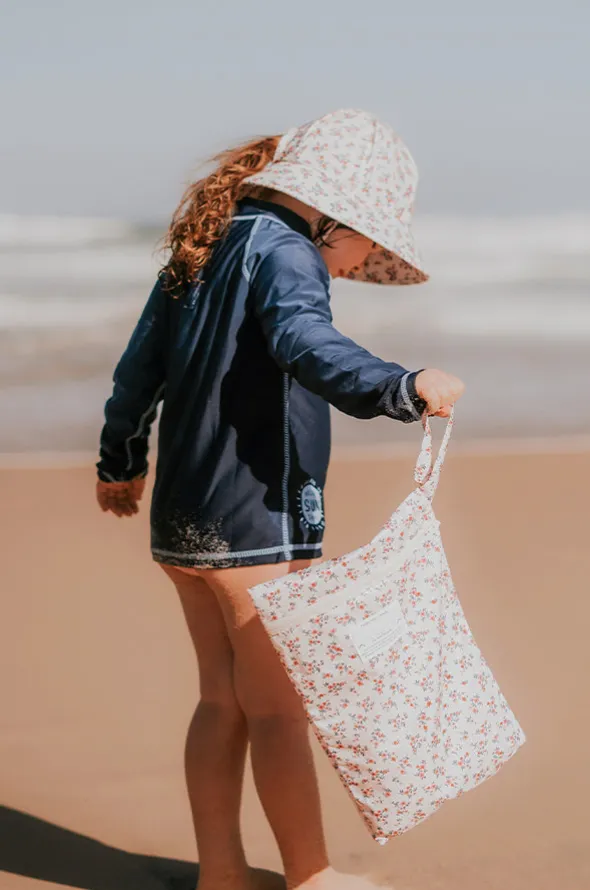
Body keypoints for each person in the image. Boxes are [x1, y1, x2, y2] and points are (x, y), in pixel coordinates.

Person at [96, 109, 465, 890]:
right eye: (370, 241)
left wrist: (120, 461)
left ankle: (222, 873)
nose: (362, 261)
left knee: (219, 701)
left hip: (185, 520)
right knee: (277, 709)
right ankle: (309, 875)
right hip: (255, 518)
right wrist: (401, 386)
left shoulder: (205, 244)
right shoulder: (287, 252)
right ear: (333, 213)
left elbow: (139, 370)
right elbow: (306, 342)